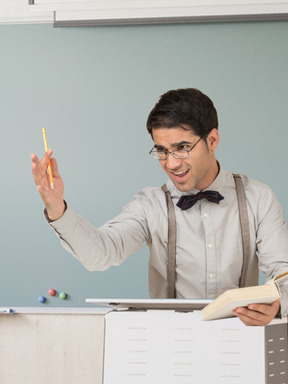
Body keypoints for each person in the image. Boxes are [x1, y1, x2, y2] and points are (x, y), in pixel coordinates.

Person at [31, 88, 288, 326]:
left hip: (241, 345)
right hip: (169, 344)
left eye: (182, 148)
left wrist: (276, 305)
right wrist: (58, 209)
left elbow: (283, 273)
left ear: (212, 140)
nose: (172, 163)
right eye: (162, 151)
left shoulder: (258, 198)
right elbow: (102, 253)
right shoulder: (150, 204)